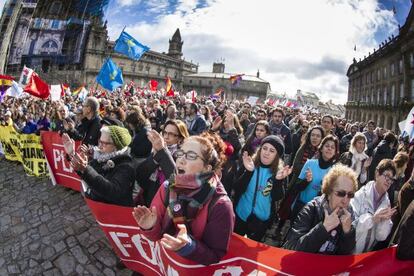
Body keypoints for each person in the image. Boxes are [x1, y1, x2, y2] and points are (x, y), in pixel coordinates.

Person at [132, 136, 235, 265]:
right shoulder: (167, 187)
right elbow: (157, 237)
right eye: (180, 153)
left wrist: (188, 247)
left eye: (191, 156)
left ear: (207, 168)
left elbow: (214, 255)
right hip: (163, 263)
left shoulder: (221, 205)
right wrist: (150, 227)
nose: (180, 160)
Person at [283, 164, 357, 255]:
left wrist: (348, 233)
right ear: (329, 193)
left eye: (350, 195)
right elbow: (291, 248)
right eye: (341, 193)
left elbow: (345, 256)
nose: (345, 200)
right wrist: (323, 228)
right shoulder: (312, 209)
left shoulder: (349, 217)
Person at [233, 135, 292, 241]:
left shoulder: (280, 173)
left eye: (272, 151)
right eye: (264, 148)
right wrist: (248, 173)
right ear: (260, 150)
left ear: (277, 155)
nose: (266, 152)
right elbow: (237, 188)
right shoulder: (249, 164)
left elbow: (277, 197)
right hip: (241, 215)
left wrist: (278, 181)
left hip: (261, 220)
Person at [62, 125, 135, 207]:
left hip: (115, 212)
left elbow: (113, 192)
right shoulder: (103, 157)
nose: (100, 146)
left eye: (104, 143)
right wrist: (72, 154)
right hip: (101, 208)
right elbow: (85, 171)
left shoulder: (126, 166)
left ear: (116, 146)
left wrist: (85, 169)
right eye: (100, 141)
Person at [277, 126, 324, 235]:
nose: (315, 138)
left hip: (312, 189)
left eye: (318, 136)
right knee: (287, 208)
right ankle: (279, 228)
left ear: (322, 138)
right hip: (297, 184)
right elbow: (296, 166)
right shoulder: (303, 148)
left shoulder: (322, 153)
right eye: (313, 135)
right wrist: (309, 167)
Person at [136, 120, 189, 206]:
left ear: (180, 138)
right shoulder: (156, 149)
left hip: (169, 201)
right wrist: (155, 157)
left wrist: (162, 152)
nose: (166, 137)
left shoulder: (183, 156)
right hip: (150, 196)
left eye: (171, 134)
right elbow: (140, 176)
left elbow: (175, 180)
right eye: (165, 132)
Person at [350, 159, 397, 253]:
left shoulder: (386, 203)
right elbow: (350, 228)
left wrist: (384, 222)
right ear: (377, 174)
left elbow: (381, 237)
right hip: (349, 251)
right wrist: (372, 219)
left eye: (391, 179)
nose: (388, 181)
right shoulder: (360, 195)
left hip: (367, 254)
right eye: (387, 176)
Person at [289, 135, 339, 221]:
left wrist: (324, 189)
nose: (329, 149)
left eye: (332, 147)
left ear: (335, 152)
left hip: (318, 210)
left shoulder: (335, 171)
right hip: (301, 205)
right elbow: (295, 188)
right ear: (321, 148)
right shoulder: (310, 163)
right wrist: (306, 181)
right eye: (327, 146)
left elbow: (332, 198)